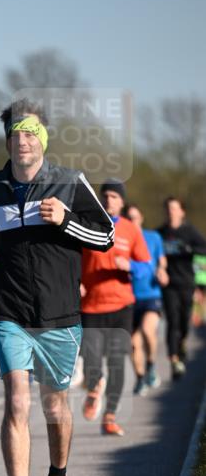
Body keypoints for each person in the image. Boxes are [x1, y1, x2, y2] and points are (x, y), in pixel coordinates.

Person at [0, 99, 114, 476]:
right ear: (8, 140)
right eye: (16, 133)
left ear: (44, 138)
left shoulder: (70, 183)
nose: (23, 139)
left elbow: (107, 237)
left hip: (58, 313)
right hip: (9, 309)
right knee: (17, 399)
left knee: (55, 407)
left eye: (31, 132)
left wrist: (68, 221)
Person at [80, 180, 150, 436]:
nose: (109, 200)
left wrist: (130, 267)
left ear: (122, 201)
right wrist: (76, 282)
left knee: (118, 362)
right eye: (105, 196)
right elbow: (71, 259)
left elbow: (146, 266)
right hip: (91, 305)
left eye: (114, 197)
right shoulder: (87, 223)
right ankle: (94, 388)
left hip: (121, 305)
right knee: (91, 360)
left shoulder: (131, 230)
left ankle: (109, 416)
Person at [156, 197, 206, 379]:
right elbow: (152, 252)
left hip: (186, 283)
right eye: (168, 208)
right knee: (173, 321)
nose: (171, 211)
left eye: (175, 208)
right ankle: (174, 360)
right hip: (168, 284)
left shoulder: (190, 231)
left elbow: (203, 248)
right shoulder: (160, 233)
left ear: (182, 211)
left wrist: (189, 249)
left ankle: (182, 344)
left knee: (184, 322)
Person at [124, 204, 168, 393]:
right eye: (129, 218)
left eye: (135, 217)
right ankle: (140, 377)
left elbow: (162, 261)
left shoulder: (153, 237)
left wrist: (162, 271)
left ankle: (150, 365)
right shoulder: (121, 239)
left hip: (151, 294)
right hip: (129, 297)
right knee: (133, 343)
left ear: (141, 218)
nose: (132, 221)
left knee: (148, 330)